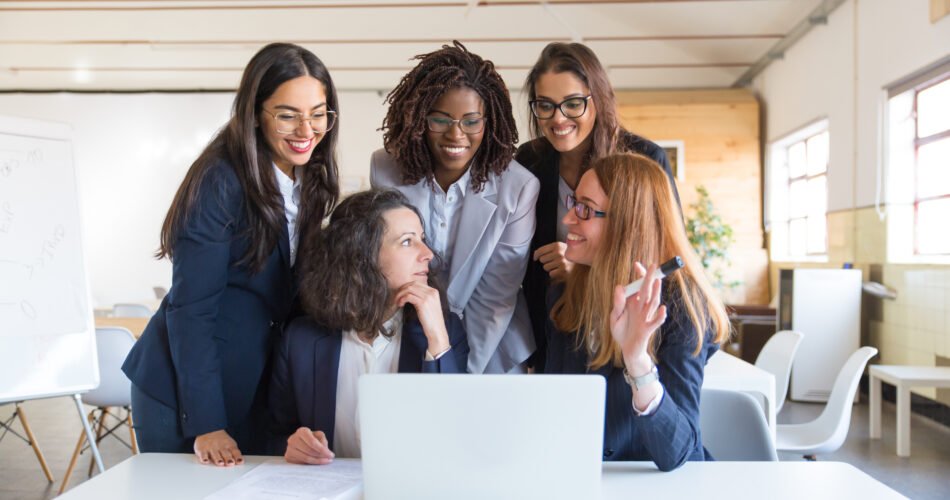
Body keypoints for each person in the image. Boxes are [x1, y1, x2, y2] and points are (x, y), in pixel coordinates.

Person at [122, 43, 340, 466]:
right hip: (183, 393)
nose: (306, 129)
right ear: (255, 114)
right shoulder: (220, 180)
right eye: (288, 114)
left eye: (318, 113)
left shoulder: (308, 181)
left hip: (251, 384)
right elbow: (191, 310)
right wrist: (206, 422)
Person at [545, 153, 729, 472]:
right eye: (573, 203)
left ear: (626, 224)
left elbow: (678, 454)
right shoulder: (565, 293)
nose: (568, 219)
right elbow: (558, 411)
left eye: (585, 209)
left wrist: (637, 360)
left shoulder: (681, 306)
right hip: (582, 480)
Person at [370, 41, 539, 374]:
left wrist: (455, 371)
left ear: (488, 122)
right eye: (441, 120)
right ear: (420, 117)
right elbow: (385, 267)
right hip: (408, 329)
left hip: (492, 347)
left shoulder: (518, 188)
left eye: (471, 121)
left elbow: (496, 297)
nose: (456, 134)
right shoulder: (385, 169)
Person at [269, 189, 469, 463]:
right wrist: (291, 446)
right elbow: (275, 434)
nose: (428, 254)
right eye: (408, 242)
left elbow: (456, 441)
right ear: (361, 254)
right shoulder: (300, 339)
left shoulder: (446, 333)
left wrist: (437, 339)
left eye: (422, 239)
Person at [515, 42, 680, 371]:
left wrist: (583, 270)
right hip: (551, 330)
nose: (558, 118)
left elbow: (665, 258)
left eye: (573, 103)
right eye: (545, 105)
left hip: (618, 331)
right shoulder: (529, 160)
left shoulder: (643, 159)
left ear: (598, 98)